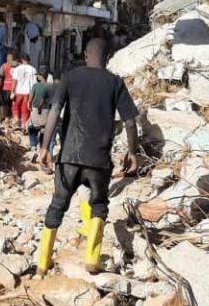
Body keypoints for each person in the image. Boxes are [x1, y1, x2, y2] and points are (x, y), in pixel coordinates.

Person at [36, 38, 139, 275]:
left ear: (85, 55)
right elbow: (130, 122)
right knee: (99, 206)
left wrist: (45, 147)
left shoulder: (70, 78)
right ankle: (92, 259)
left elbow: (54, 110)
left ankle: (43, 263)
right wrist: (132, 152)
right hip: (99, 161)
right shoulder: (115, 82)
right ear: (108, 56)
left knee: (57, 205)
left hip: (69, 156)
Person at [27, 72, 55, 161]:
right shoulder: (51, 86)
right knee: (44, 130)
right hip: (47, 112)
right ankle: (43, 147)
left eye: (38, 75)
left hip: (36, 110)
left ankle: (33, 146)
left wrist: (29, 104)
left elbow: (31, 98)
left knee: (32, 128)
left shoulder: (36, 85)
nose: (37, 76)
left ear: (41, 76)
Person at [10, 54, 36, 129]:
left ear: (21, 60)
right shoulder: (33, 69)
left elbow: (14, 81)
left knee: (15, 107)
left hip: (18, 92)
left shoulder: (17, 69)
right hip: (28, 93)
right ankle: (24, 125)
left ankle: (16, 119)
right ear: (29, 60)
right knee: (25, 109)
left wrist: (12, 92)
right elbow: (34, 83)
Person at [0, 51, 16, 123]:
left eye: (10, 57)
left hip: (8, 88)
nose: (9, 59)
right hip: (12, 88)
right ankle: (9, 118)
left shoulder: (4, 66)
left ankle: (7, 118)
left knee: (6, 104)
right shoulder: (16, 66)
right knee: (8, 104)